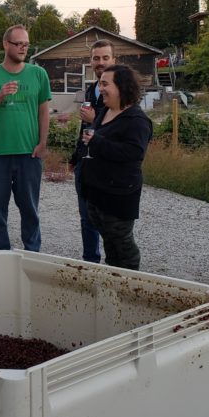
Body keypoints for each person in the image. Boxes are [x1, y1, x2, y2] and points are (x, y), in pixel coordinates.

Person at [0, 25, 51, 251]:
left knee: (30, 208)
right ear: (6, 44)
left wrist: (43, 143)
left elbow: (43, 111)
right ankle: (1, 255)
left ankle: (32, 253)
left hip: (29, 153)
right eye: (18, 44)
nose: (23, 48)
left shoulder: (39, 74)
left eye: (26, 44)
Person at [79, 64, 153, 270]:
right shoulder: (104, 112)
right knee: (109, 243)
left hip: (119, 196)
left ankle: (131, 282)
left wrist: (95, 142)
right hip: (98, 193)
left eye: (105, 84)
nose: (100, 88)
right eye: (100, 83)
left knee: (123, 244)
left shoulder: (137, 120)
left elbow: (134, 153)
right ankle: (114, 279)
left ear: (122, 87)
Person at [68, 39, 115, 263]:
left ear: (113, 60)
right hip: (85, 164)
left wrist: (94, 118)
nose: (101, 62)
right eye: (96, 58)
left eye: (105, 57)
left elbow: (120, 128)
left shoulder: (120, 91)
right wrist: (75, 156)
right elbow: (84, 129)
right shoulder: (91, 89)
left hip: (106, 165)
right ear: (91, 62)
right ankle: (90, 263)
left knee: (108, 220)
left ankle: (113, 265)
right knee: (86, 219)